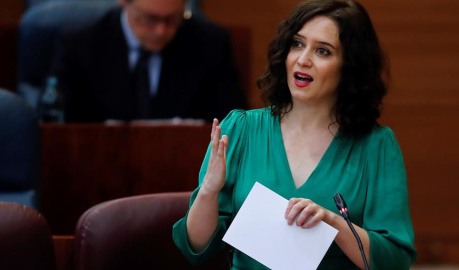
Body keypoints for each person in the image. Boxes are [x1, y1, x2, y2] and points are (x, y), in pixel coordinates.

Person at [172, 0, 417, 269]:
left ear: (350, 67)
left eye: (323, 51)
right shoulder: (240, 129)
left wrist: (333, 223)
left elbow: (394, 261)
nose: (303, 59)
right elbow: (196, 248)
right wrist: (208, 191)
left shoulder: (377, 146)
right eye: (297, 44)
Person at [52, 0, 246, 122]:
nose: (161, 30)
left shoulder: (210, 43)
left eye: (172, 19)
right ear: (124, 3)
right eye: (149, 19)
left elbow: (232, 121)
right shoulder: (81, 44)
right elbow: (59, 122)